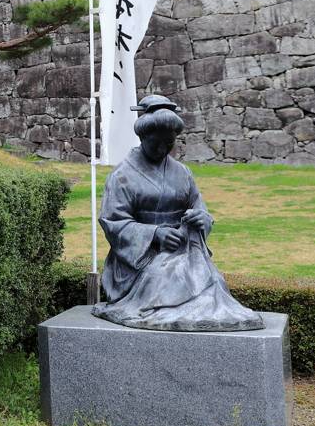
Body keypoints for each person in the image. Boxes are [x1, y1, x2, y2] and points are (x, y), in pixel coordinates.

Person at [92, 95, 263, 332]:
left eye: (169, 143)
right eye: (156, 143)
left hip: (183, 248)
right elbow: (113, 222)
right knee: (173, 275)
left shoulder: (182, 173)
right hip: (140, 260)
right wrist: (156, 234)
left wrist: (202, 219)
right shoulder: (122, 176)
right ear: (142, 137)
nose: (163, 149)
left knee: (211, 282)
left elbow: (199, 207)